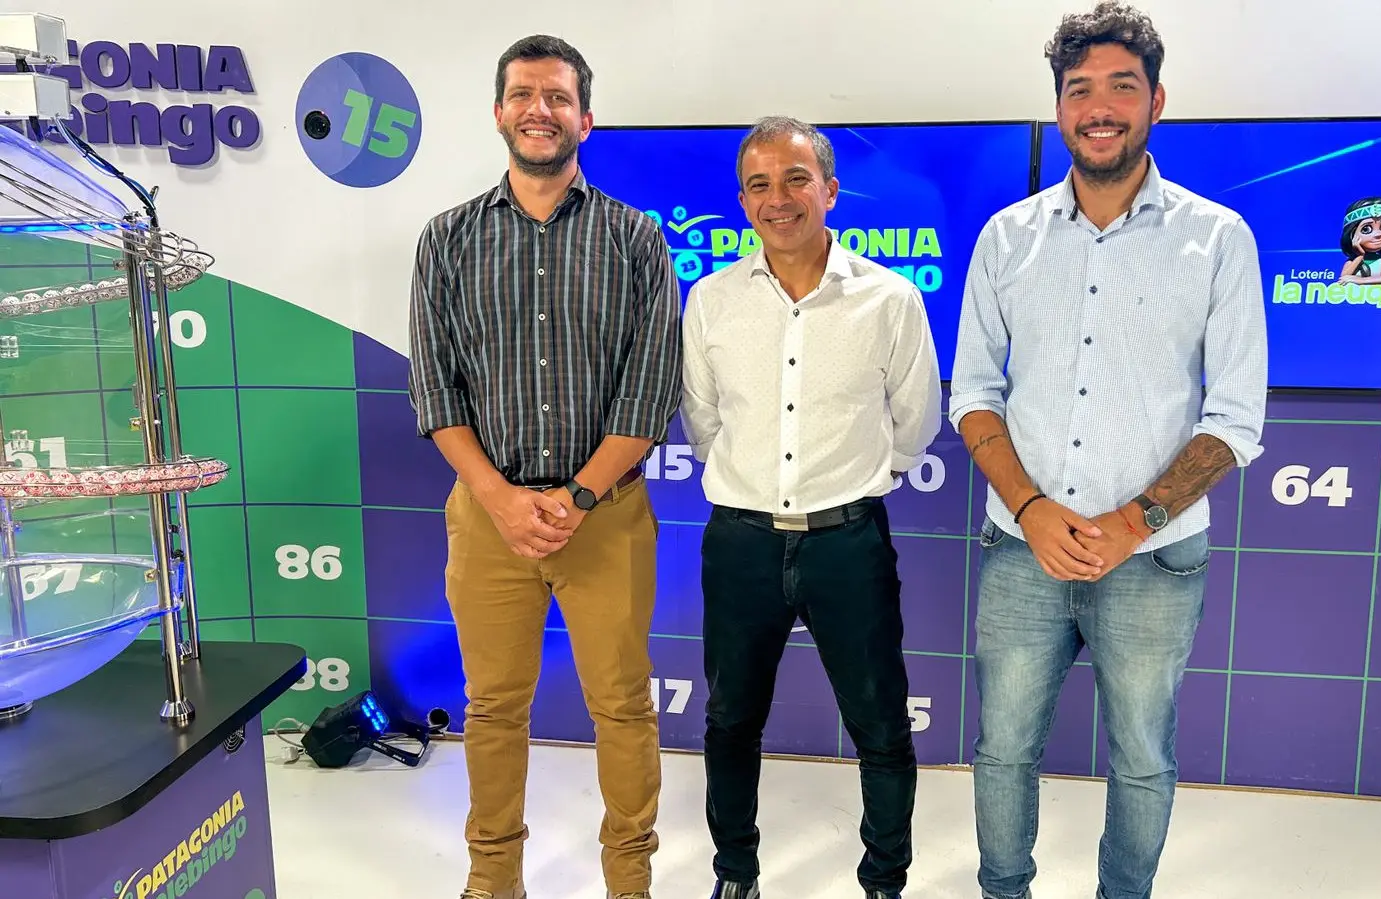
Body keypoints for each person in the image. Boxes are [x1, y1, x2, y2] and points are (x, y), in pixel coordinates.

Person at [948, 4, 1268, 899]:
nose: (1099, 107)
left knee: (1141, 756)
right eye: (1079, 89)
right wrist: (1032, 509)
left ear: (1156, 102)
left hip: (1155, 558)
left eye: (1121, 87)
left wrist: (1134, 522)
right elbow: (973, 394)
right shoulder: (1006, 238)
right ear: (1059, 109)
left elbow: (1235, 418)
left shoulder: (1218, 239)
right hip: (1023, 548)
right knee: (1003, 750)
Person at [406, 34, 681, 899]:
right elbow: (435, 390)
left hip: (607, 515)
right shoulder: (447, 239)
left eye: (558, 97)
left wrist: (577, 496)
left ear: (584, 120)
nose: (540, 109)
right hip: (487, 516)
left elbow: (648, 394)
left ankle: (629, 881)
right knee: (492, 706)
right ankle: (494, 879)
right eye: (524, 94)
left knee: (622, 706)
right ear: (499, 113)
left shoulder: (635, 239)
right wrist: (499, 498)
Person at [678, 115, 943, 899]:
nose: (778, 198)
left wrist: (858, 482)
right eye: (759, 184)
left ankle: (884, 880)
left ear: (830, 189)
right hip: (742, 544)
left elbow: (916, 421)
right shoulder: (711, 301)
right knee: (730, 721)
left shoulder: (889, 299)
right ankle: (736, 874)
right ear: (742, 201)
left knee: (881, 726)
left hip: (847, 544)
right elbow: (703, 421)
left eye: (796, 179)